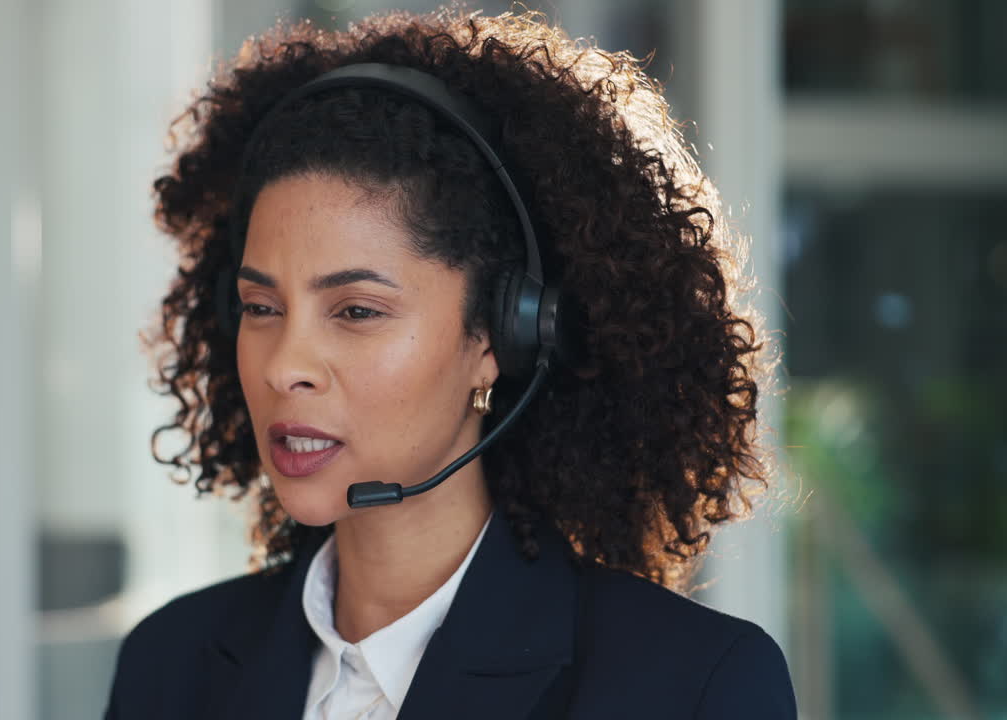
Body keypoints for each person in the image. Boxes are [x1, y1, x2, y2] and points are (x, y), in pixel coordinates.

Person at [104, 7, 797, 719]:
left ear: (499, 337)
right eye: (261, 308)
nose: (285, 367)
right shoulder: (170, 664)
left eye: (357, 312)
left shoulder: (689, 684)